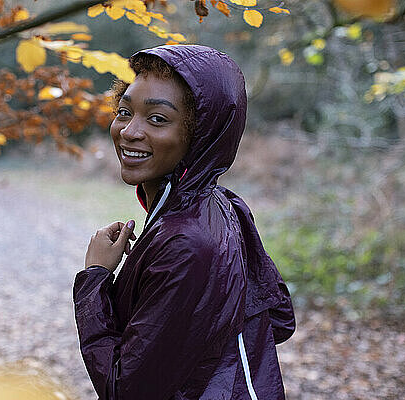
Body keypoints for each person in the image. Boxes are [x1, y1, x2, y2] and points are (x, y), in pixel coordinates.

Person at [73, 44, 295, 400]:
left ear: (200, 134)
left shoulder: (186, 242)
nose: (128, 131)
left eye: (157, 118)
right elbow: (277, 317)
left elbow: (125, 391)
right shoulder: (221, 204)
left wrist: (95, 278)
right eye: (124, 111)